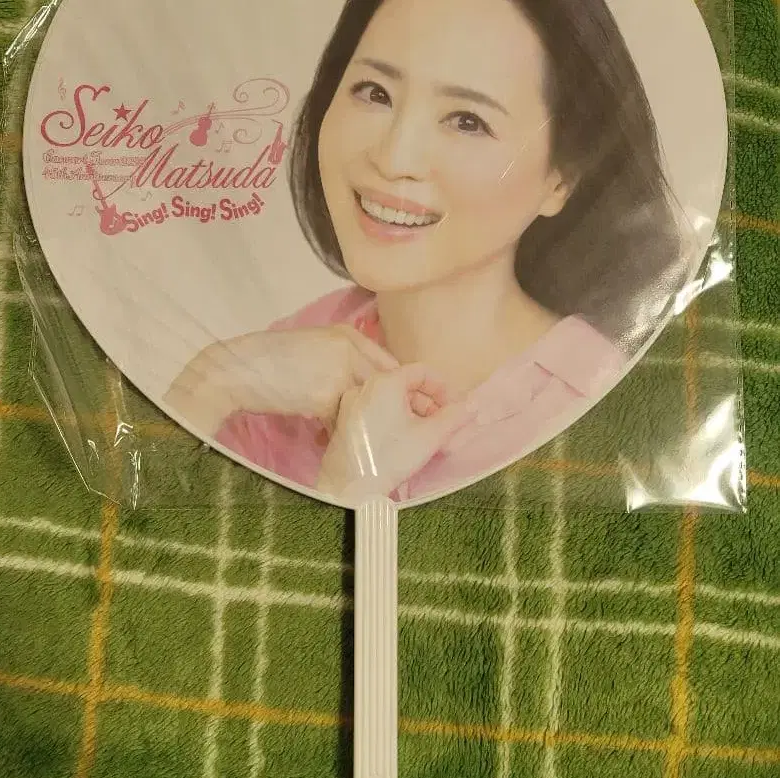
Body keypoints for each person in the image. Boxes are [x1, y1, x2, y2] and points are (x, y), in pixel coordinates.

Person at [164, 0, 686, 503]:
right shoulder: (280, 362)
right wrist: (213, 379)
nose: (394, 158)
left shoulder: (614, 412)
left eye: (467, 121)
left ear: (561, 178)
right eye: (375, 92)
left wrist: (351, 492)